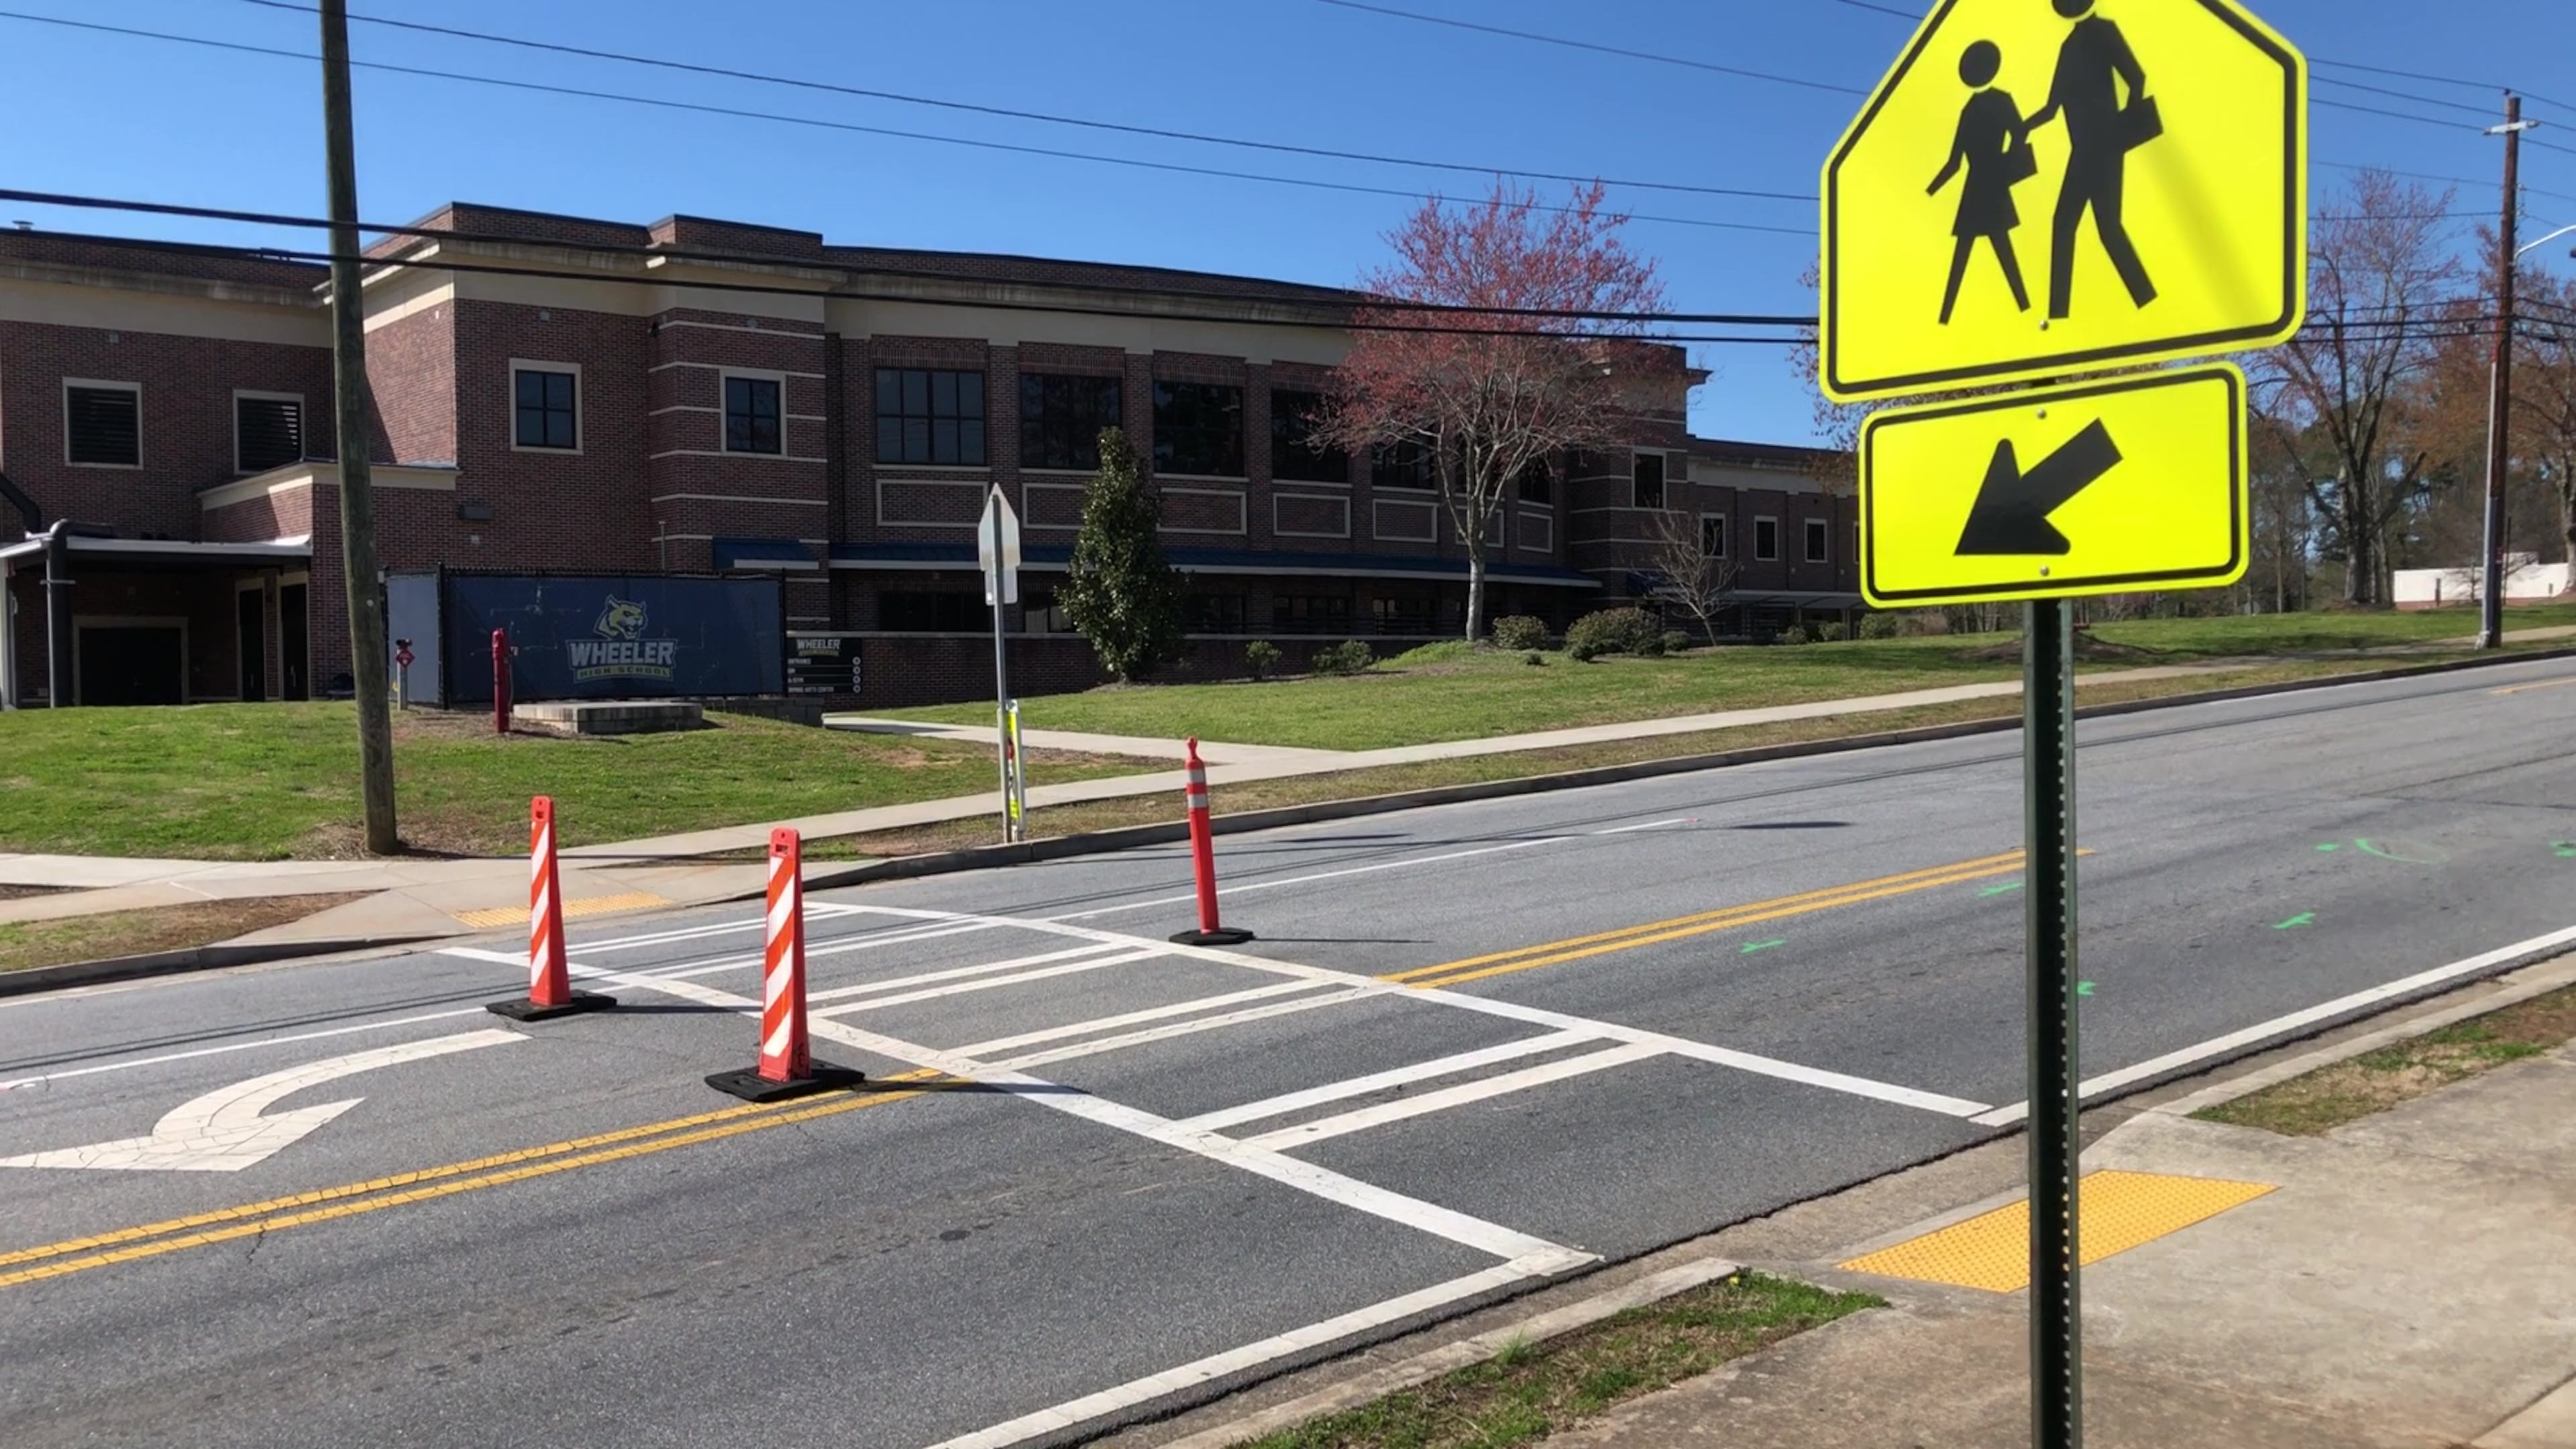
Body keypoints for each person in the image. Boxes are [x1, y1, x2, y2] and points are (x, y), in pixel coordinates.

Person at [2026, 0, 2157, 320]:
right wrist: (2022, 127)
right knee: (2076, 225)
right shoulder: (2068, 46)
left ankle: (2145, 301)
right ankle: (2060, 314)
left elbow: (2136, 78)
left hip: (2105, 144)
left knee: (2102, 227)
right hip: (2082, 150)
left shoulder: (2105, 32)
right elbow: (2053, 106)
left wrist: (2122, 128)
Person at [1928, 39, 2033, 325]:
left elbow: (2019, 132)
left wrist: (2008, 162)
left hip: (1983, 183)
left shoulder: (1986, 105)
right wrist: (1929, 191)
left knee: (1997, 248)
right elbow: (1955, 162)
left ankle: (2024, 307)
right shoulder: (1977, 107)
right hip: (1983, 184)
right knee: (1976, 249)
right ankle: (1946, 317)